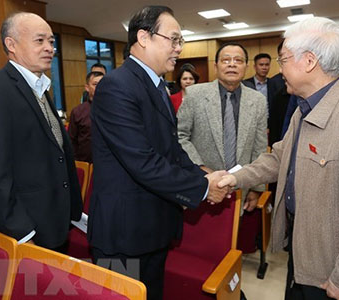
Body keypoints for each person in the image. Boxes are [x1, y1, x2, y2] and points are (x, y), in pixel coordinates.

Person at [218, 17, 339, 300]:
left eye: (283, 60)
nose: (280, 69)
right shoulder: (305, 109)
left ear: (308, 62)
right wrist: (233, 178)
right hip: (306, 253)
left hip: (336, 273)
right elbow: (280, 159)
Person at [87, 6, 228, 300]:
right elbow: (142, 161)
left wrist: (203, 173)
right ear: (144, 37)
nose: (179, 49)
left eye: (180, 42)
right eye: (173, 39)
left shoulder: (158, 86)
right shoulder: (117, 86)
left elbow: (171, 149)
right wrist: (203, 188)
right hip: (123, 233)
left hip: (153, 226)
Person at [0, 12, 83, 250]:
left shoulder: (40, 88)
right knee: (27, 288)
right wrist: (22, 232)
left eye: (51, 41)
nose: (49, 48)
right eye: (39, 41)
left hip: (54, 223)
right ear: (11, 45)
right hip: (23, 231)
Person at [177, 42, 268, 212]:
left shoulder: (257, 101)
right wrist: (201, 168)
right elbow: (179, 135)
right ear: (216, 65)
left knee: (235, 238)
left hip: (241, 189)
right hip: (202, 186)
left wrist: (257, 188)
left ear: (246, 67)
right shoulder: (195, 94)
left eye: (238, 60)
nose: (232, 64)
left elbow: (260, 148)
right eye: (226, 60)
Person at [68, 71, 104, 162]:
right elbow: (71, 141)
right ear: (87, 88)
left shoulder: (115, 109)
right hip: (86, 163)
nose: (100, 87)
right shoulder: (78, 112)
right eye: (95, 84)